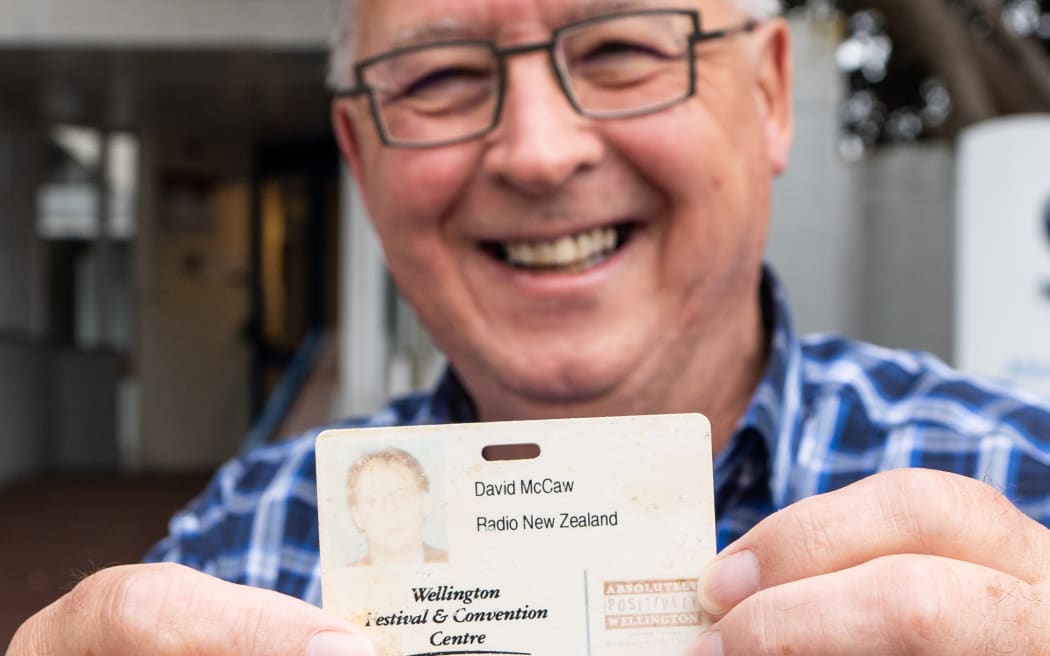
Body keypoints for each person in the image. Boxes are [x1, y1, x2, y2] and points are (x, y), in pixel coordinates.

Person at [9, 0, 1050, 654]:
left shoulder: (1023, 491)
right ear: (359, 157)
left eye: (622, 50)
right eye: (440, 76)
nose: (540, 152)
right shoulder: (233, 548)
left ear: (772, 93)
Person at [345, 448, 447, 566]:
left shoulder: (458, 564)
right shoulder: (338, 579)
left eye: (402, 495)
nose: (390, 509)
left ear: (424, 503)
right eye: (374, 500)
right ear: (357, 517)